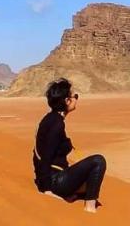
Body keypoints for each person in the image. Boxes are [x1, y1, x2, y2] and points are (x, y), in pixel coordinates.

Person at [32, 78, 106, 214]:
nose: (76, 99)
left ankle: (69, 193)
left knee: (89, 181)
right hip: (55, 181)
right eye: (74, 96)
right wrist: (46, 189)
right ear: (67, 101)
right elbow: (46, 157)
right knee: (98, 161)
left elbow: (38, 154)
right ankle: (90, 207)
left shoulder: (50, 118)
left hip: (55, 177)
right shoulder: (56, 124)